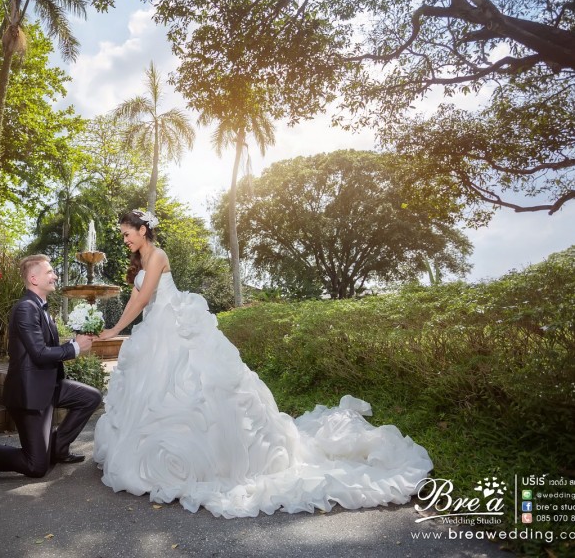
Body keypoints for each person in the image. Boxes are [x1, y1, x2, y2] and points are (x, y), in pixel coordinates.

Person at [94, 210, 433, 518]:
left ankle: (215, 462)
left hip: (173, 328)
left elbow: (141, 298)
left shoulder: (158, 255)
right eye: (124, 234)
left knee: (193, 389)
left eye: (128, 233)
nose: (125, 239)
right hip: (158, 330)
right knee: (161, 392)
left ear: (143, 230)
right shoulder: (142, 258)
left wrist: (114, 329)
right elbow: (141, 299)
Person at [0, 254, 102, 480]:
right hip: (30, 394)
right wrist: (75, 349)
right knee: (36, 467)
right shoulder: (25, 308)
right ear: (34, 278)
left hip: (48, 385)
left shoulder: (41, 307)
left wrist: (75, 342)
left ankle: (57, 448)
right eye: (49, 272)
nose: (55, 275)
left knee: (90, 397)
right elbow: (40, 354)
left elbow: (44, 348)